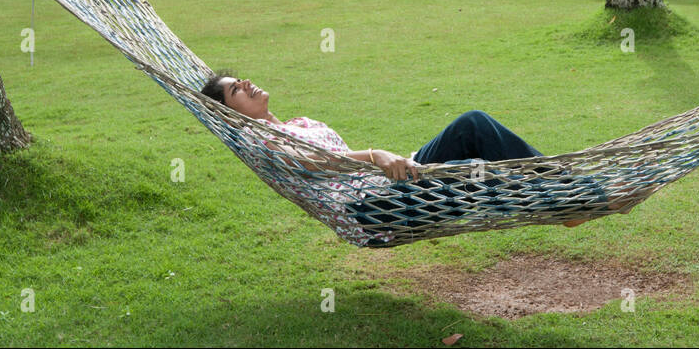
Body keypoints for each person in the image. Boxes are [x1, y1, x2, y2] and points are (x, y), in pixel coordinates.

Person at [199, 73, 595, 232]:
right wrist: (376, 155)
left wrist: (389, 161)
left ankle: (572, 191)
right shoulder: (260, 140)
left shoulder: (294, 124)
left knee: (472, 123)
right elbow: (314, 163)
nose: (246, 83)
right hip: (369, 208)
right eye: (236, 90)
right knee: (473, 171)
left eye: (240, 79)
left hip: (386, 184)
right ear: (231, 114)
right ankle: (569, 204)